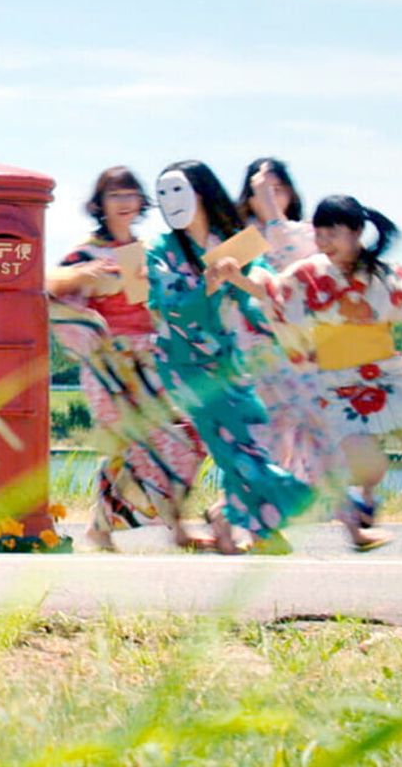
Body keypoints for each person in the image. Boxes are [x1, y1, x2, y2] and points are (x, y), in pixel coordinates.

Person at [236, 196, 402, 556]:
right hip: (336, 385)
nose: (323, 241)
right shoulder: (308, 274)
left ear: (356, 232)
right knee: (368, 466)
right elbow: (274, 294)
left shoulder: (385, 275)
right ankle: (358, 499)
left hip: (391, 377)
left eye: (333, 232)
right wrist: (241, 276)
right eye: (319, 232)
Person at [144, 160, 313, 554]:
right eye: (164, 193)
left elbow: (262, 294)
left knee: (249, 439)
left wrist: (236, 278)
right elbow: (170, 307)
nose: (171, 201)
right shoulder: (159, 250)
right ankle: (271, 527)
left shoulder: (236, 242)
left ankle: (237, 529)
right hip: (184, 367)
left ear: (203, 194)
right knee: (232, 447)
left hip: (229, 361)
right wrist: (208, 283)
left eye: (178, 191)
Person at [46, 166, 210, 552]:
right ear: (100, 204)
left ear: (140, 202)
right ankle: (174, 528)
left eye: (130, 195)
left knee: (187, 434)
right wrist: (82, 275)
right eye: (114, 196)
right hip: (107, 366)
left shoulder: (143, 251)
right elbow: (46, 285)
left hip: (148, 361)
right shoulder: (87, 251)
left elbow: (150, 310)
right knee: (141, 443)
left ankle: (106, 527)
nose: (123, 203)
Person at [233, 158, 347, 510]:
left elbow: (307, 273)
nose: (270, 195)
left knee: (301, 434)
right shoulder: (239, 241)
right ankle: (241, 511)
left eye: (277, 188)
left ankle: (240, 511)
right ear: (247, 198)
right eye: (260, 190)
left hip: (302, 352)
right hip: (256, 352)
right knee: (269, 435)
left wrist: (273, 217)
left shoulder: (306, 233)